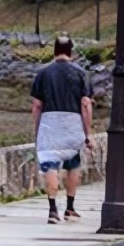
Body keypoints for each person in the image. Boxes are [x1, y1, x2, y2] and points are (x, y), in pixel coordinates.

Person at [30, 35, 94, 224]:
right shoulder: (81, 73)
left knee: (50, 165)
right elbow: (86, 105)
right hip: (72, 123)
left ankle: (52, 211)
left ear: (55, 51)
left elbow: (37, 106)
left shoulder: (43, 73)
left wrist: (38, 131)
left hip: (50, 123)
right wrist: (88, 134)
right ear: (70, 52)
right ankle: (70, 208)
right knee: (73, 164)